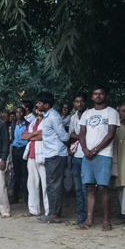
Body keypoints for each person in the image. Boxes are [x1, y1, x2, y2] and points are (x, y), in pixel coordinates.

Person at [77, 85, 120, 231]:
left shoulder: (112, 112)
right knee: (89, 187)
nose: (98, 96)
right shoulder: (87, 114)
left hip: (103, 154)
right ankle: (89, 220)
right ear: (92, 96)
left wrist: (95, 150)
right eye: (95, 94)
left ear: (106, 95)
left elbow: (111, 134)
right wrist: (84, 149)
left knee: (103, 187)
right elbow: (82, 133)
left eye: (101, 94)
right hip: (87, 154)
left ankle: (107, 221)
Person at [35, 91, 69, 224]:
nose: (37, 105)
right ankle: (51, 212)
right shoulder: (47, 116)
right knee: (50, 184)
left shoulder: (54, 116)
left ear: (46, 105)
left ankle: (55, 214)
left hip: (56, 154)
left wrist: (67, 146)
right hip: (49, 154)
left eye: (39, 103)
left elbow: (64, 136)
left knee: (54, 185)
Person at [21, 109, 48, 216]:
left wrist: (31, 136)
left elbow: (45, 136)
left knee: (46, 184)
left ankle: (49, 211)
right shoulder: (33, 123)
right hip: (31, 155)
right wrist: (36, 133)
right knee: (31, 184)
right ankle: (33, 210)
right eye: (37, 108)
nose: (39, 110)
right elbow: (23, 136)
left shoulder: (48, 121)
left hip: (44, 155)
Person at [68, 92, 88, 225]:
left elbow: (89, 134)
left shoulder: (91, 115)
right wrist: (82, 135)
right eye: (76, 101)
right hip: (76, 155)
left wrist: (79, 135)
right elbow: (71, 134)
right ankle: (81, 214)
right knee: (78, 188)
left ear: (85, 102)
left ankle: (88, 214)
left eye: (81, 101)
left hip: (88, 155)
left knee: (87, 187)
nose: (79, 104)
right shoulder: (73, 118)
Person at [10, 106, 30, 204]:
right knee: (16, 174)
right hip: (15, 150)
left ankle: (26, 197)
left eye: (20, 112)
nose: (18, 114)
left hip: (24, 149)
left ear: (24, 113)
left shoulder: (28, 125)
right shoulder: (14, 125)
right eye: (17, 112)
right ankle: (15, 197)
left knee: (24, 174)